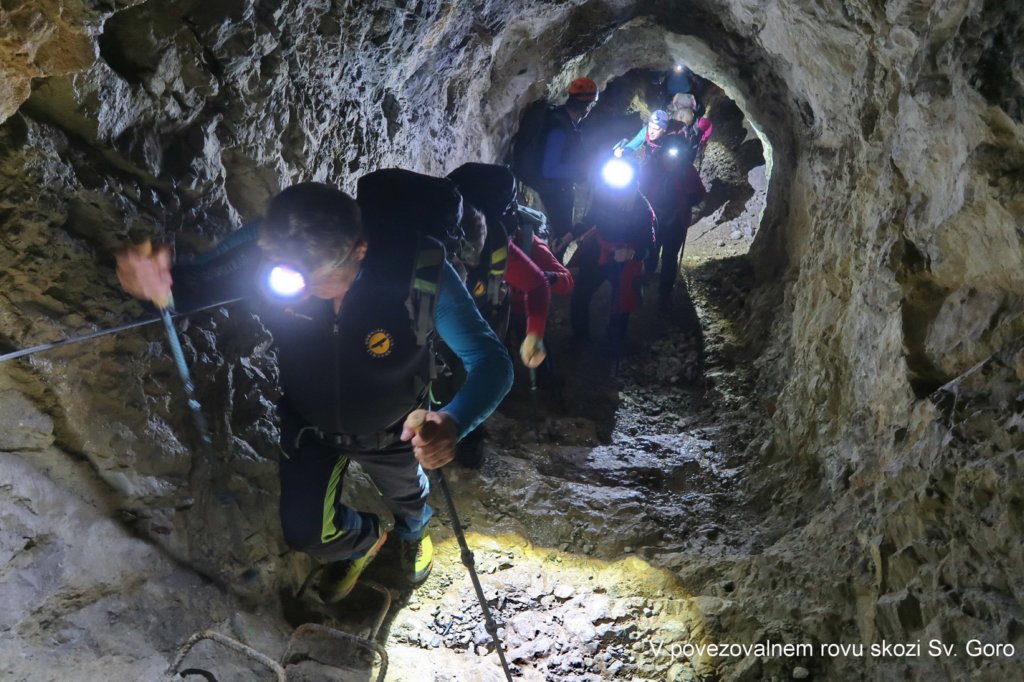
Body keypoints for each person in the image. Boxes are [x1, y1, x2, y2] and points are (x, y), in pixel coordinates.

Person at [115, 182, 514, 602]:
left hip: (394, 426)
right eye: (292, 278)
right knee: (306, 533)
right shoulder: (274, 244)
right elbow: (192, 284)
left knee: (408, 498)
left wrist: (453, 421)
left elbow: (491, 360)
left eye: (319, 277)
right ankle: (364, 541)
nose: (304, 291)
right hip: (309, 424)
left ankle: (413, 534)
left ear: (359, 249)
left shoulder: (422, 271)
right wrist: (153, 282)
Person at [566, 158, 655, 363]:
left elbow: (649, 248)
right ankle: (580, 338)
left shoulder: (641, 209)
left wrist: (631, 254)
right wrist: (569, 236)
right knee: (580, 295)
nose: (615, 194)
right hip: (598, 251)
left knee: (620, 303)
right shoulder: (603, 194)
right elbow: (591, 219)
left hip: (622, 259)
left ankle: (614, 343)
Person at [534, 77, 599, 248]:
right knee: (561, 240)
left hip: (559, 189)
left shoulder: (569, 122)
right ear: (588, 105)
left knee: (560, 237)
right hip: (554, 192)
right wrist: (580, 169)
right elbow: (548, 169)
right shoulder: (559, 128)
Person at [640, 139, 706, 301]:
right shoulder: (652, 166)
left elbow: (699, 193)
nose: (672, 160)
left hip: (676, 220)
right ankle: (646, 275)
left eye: (676, 157)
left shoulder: (686, 170)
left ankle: (665, 292)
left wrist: (691, 199)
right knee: (650, 251)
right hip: (653, 218)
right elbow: (640, 188)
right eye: (669, 155)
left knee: (669, 257)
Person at [668, 93, 713, 160]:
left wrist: (702, 142)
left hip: (691, 148)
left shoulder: (699, 123)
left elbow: (708, 125)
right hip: (676, 147)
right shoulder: (672, 120)